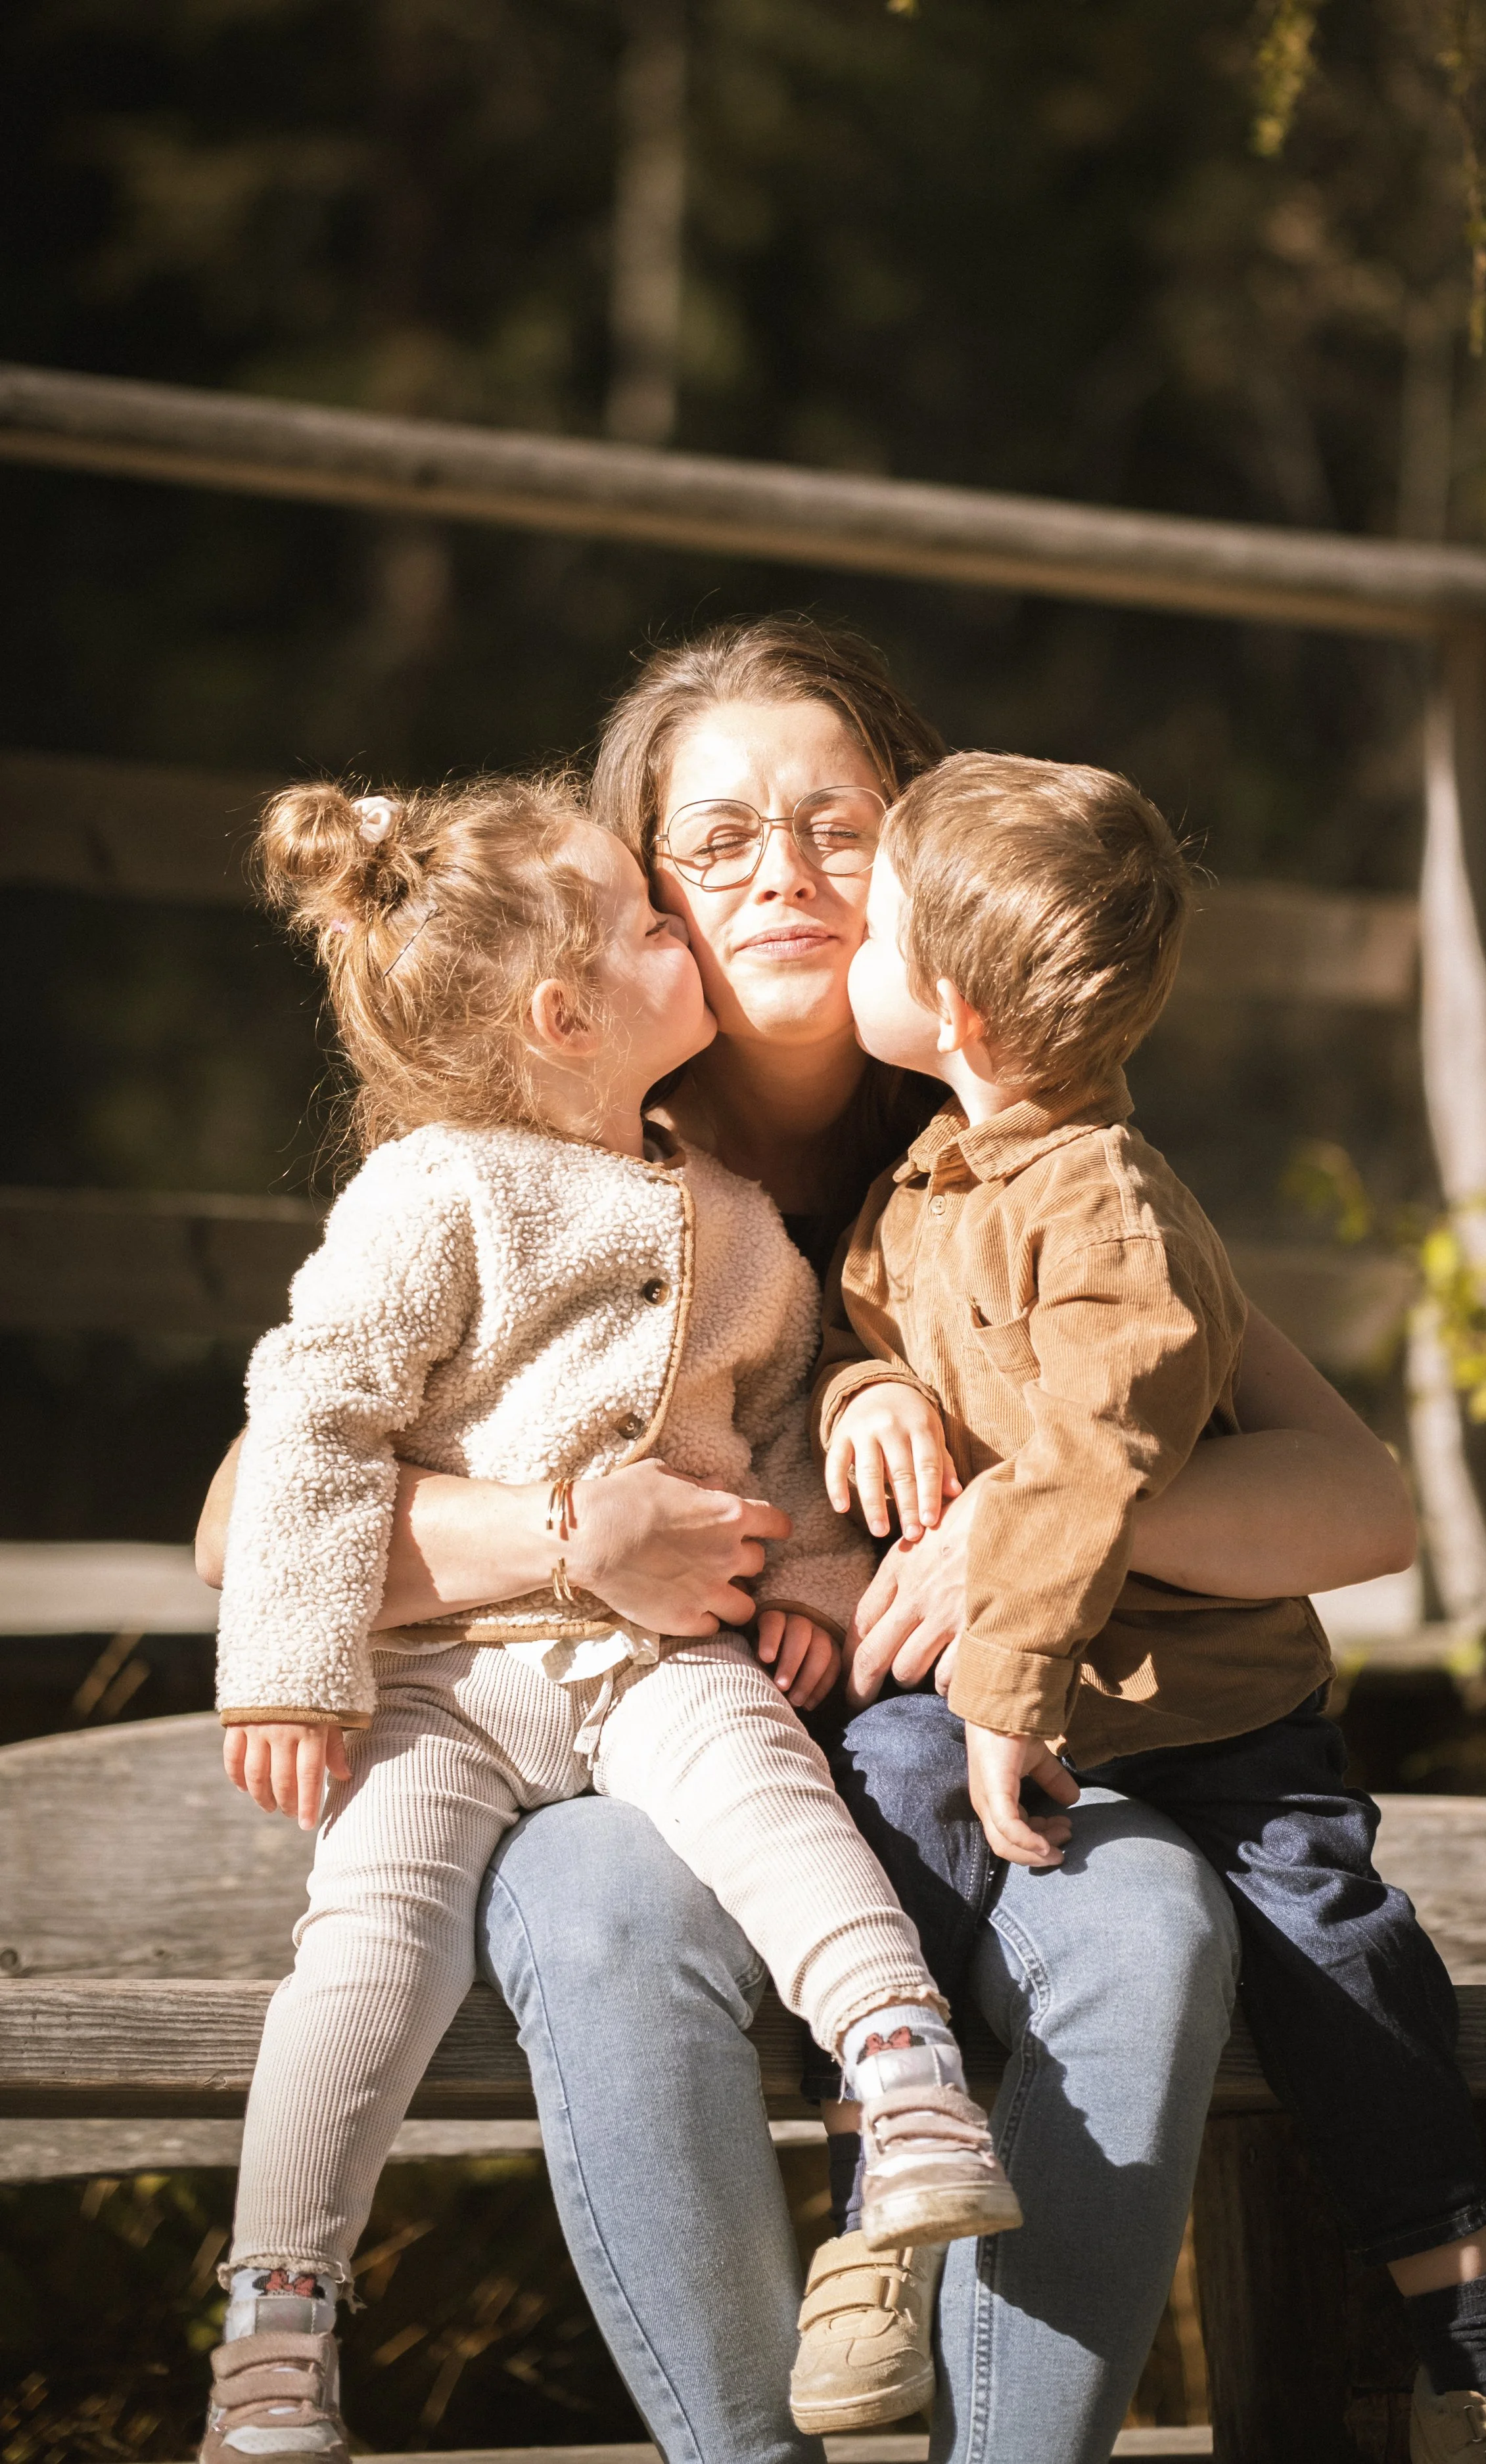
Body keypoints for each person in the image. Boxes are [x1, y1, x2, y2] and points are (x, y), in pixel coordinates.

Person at [199, 616, 1417, 2463]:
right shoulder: (543, 1158)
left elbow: (1363, 1502)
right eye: (715, 841)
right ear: (625, 909)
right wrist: (567, 1526)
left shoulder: (1020, 1145)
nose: (782, 871)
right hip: (636, 1747)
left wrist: (1033, 1510)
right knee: (599, 1900)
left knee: (1150, 1913)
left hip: (950, 1762)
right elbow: (246, 1517)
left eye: (839, 825)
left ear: (923, 860)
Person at [199, 768, 1019, 2464]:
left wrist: (801, 1580)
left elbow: (786, 1416)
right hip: (438, 1682)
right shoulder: (436, 1192)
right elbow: (317, 1418)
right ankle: (277, 2321)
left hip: (658, 1660)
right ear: (568, 1011)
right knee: (369, 1942)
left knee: (782, 1809)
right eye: (658, 918)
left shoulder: (728, 1217)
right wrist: (289, 1669)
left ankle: (908, 2080)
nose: (686, 926)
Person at [814, 746, 1486, 2464]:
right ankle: (873, 2216)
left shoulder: (1104, 1208)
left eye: (866, 916)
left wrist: (1003, 1681)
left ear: (946, 1004)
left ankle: (1467, 2348)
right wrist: (857, 1394)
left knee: (1349, 1963)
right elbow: (871, 1332)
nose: (846, 937)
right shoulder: (930, 1186)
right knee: (886, 1845)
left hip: (1215, 1720)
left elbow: (1093, 1458)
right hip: (1026, 1719)